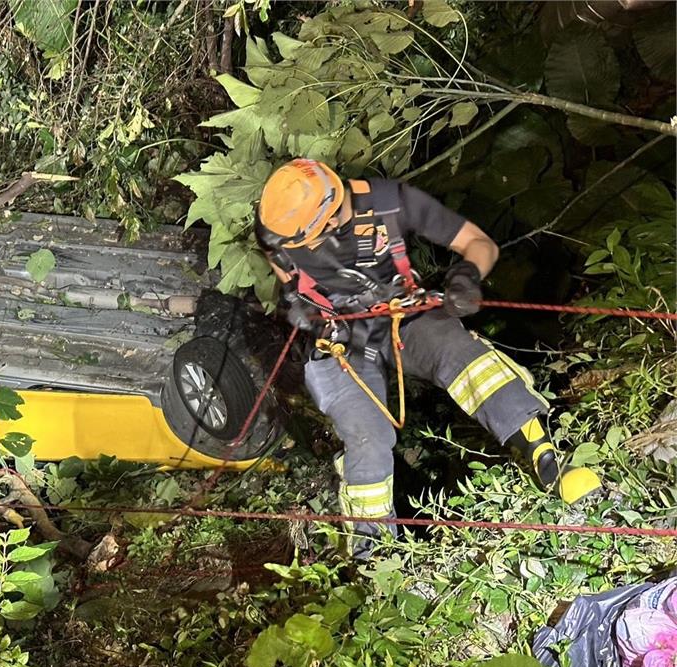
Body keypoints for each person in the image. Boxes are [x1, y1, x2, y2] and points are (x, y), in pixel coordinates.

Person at [254, 158, 601, 556]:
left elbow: (479, 243)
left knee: (464, 358)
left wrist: (467, 277)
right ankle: (374, 555)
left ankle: (546, 459)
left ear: (331, 218)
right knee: (367, 434)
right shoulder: (278, 234)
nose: (301, 251)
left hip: (404, 314)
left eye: (307, 241)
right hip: (340, 340)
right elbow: (293, 284)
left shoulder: (389, 203)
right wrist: (302, 311)